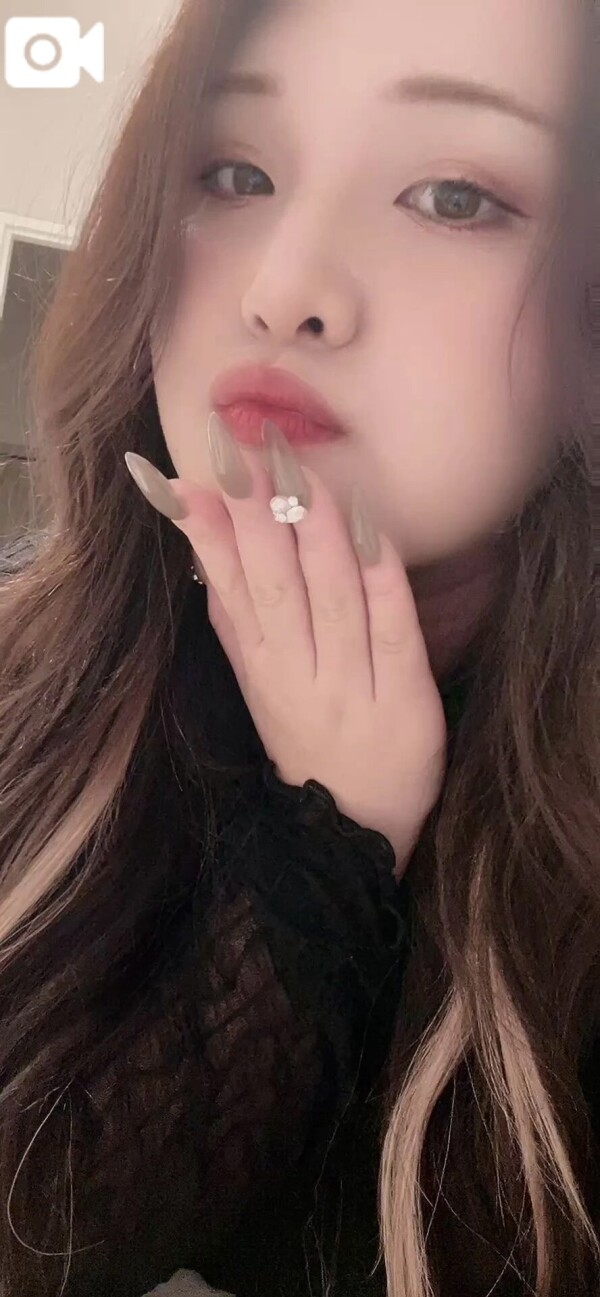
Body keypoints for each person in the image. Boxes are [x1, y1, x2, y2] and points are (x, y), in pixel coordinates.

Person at [0, 0, 598, 1294]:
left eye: (453, 197)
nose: (282, 292)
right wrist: (332, 840)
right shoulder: (20, 672)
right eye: (234, 174)